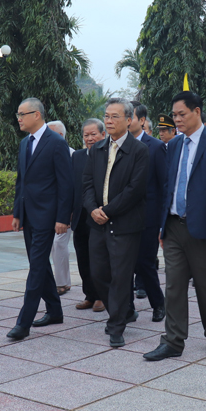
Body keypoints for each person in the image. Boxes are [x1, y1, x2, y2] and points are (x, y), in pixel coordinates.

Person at [144, 90, 206, 361]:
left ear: (197, 112)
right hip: (173, 227)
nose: (177, 119)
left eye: (181, 114)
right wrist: (162, 226)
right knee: (173, 286)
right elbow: (168, 187)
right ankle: (173, 340)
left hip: (204, 229)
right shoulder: (174, 145)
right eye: (174, 115)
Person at [83, 99, 149, 348]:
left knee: (121, 277)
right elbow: (87, 184)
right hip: (98, 223)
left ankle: (116, 325)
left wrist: (108, 211)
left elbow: (135, 190)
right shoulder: (97, 149)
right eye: (106, 116)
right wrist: (93, 210)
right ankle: (124, 312)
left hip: (125, 224)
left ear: (129, 119)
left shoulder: (139, 151)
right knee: (98, 274)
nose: (109, 121)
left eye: (115, 117)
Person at [7, 98, 74, 340]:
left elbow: (66, 185)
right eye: (18, 114)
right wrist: (17, 213)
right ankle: (55, 311)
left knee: (36, 268)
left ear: (37, 115)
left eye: (22, 114)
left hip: (48, 218)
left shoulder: (56, 143)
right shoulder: (25, 143)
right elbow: (21, 181)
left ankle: (23, 323)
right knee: (41, 265)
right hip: (29, 216)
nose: (19, 118)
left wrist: (62, 218)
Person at [128, 105, 167, 322]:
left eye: (129, 117)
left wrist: (162, 222)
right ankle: (127, 309)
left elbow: (164, 186)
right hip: (123, 216)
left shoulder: (156, 146)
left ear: (142, 120)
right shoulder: (117, 144)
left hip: (147, 218)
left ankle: (159, 303)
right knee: (124, 265)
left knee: (145, 263)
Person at [73, 119, 106, 313]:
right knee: (82, 258)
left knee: (99, 259)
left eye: (93, 134)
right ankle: (89, 295)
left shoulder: (107, 155)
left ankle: (101, 296)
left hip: (99, 216)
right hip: (80, 216)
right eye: (86, 135)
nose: (90, 138)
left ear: (103, 135)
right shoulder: (77, 156)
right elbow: (71, 186)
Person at [46, 120, 73, 295]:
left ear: (61, 136)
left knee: (59, 243)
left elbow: (71, 186)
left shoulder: (72, 155)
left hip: (66, 210)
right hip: (48, 209)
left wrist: (68, 212)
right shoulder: (46, 152)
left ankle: (62, 282)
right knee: (53, 246)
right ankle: (58, 280)